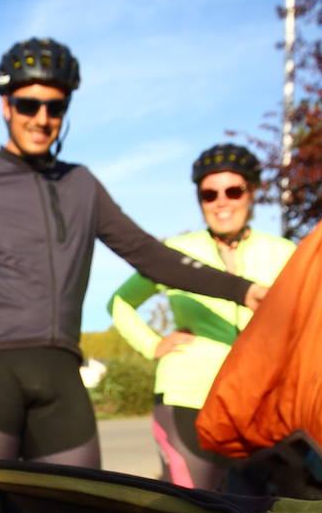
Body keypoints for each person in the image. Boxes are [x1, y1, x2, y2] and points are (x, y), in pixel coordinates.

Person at [0, 37, 267, 467]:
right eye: (29, 105)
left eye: (56, 108)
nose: (42, 118)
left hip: (61, 370)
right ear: (6, 107)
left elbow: (147, 254)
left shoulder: (81, 184)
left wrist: (245, 291)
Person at [108, 143, 295, 489]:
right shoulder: (176, 253)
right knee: (192, 509)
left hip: (263, 398)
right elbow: (119, 303)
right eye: (209, 195)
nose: (221, 202)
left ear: (251, 193)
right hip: (187, 392)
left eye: (233, 191)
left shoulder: (284, 253)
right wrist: (152, 345)